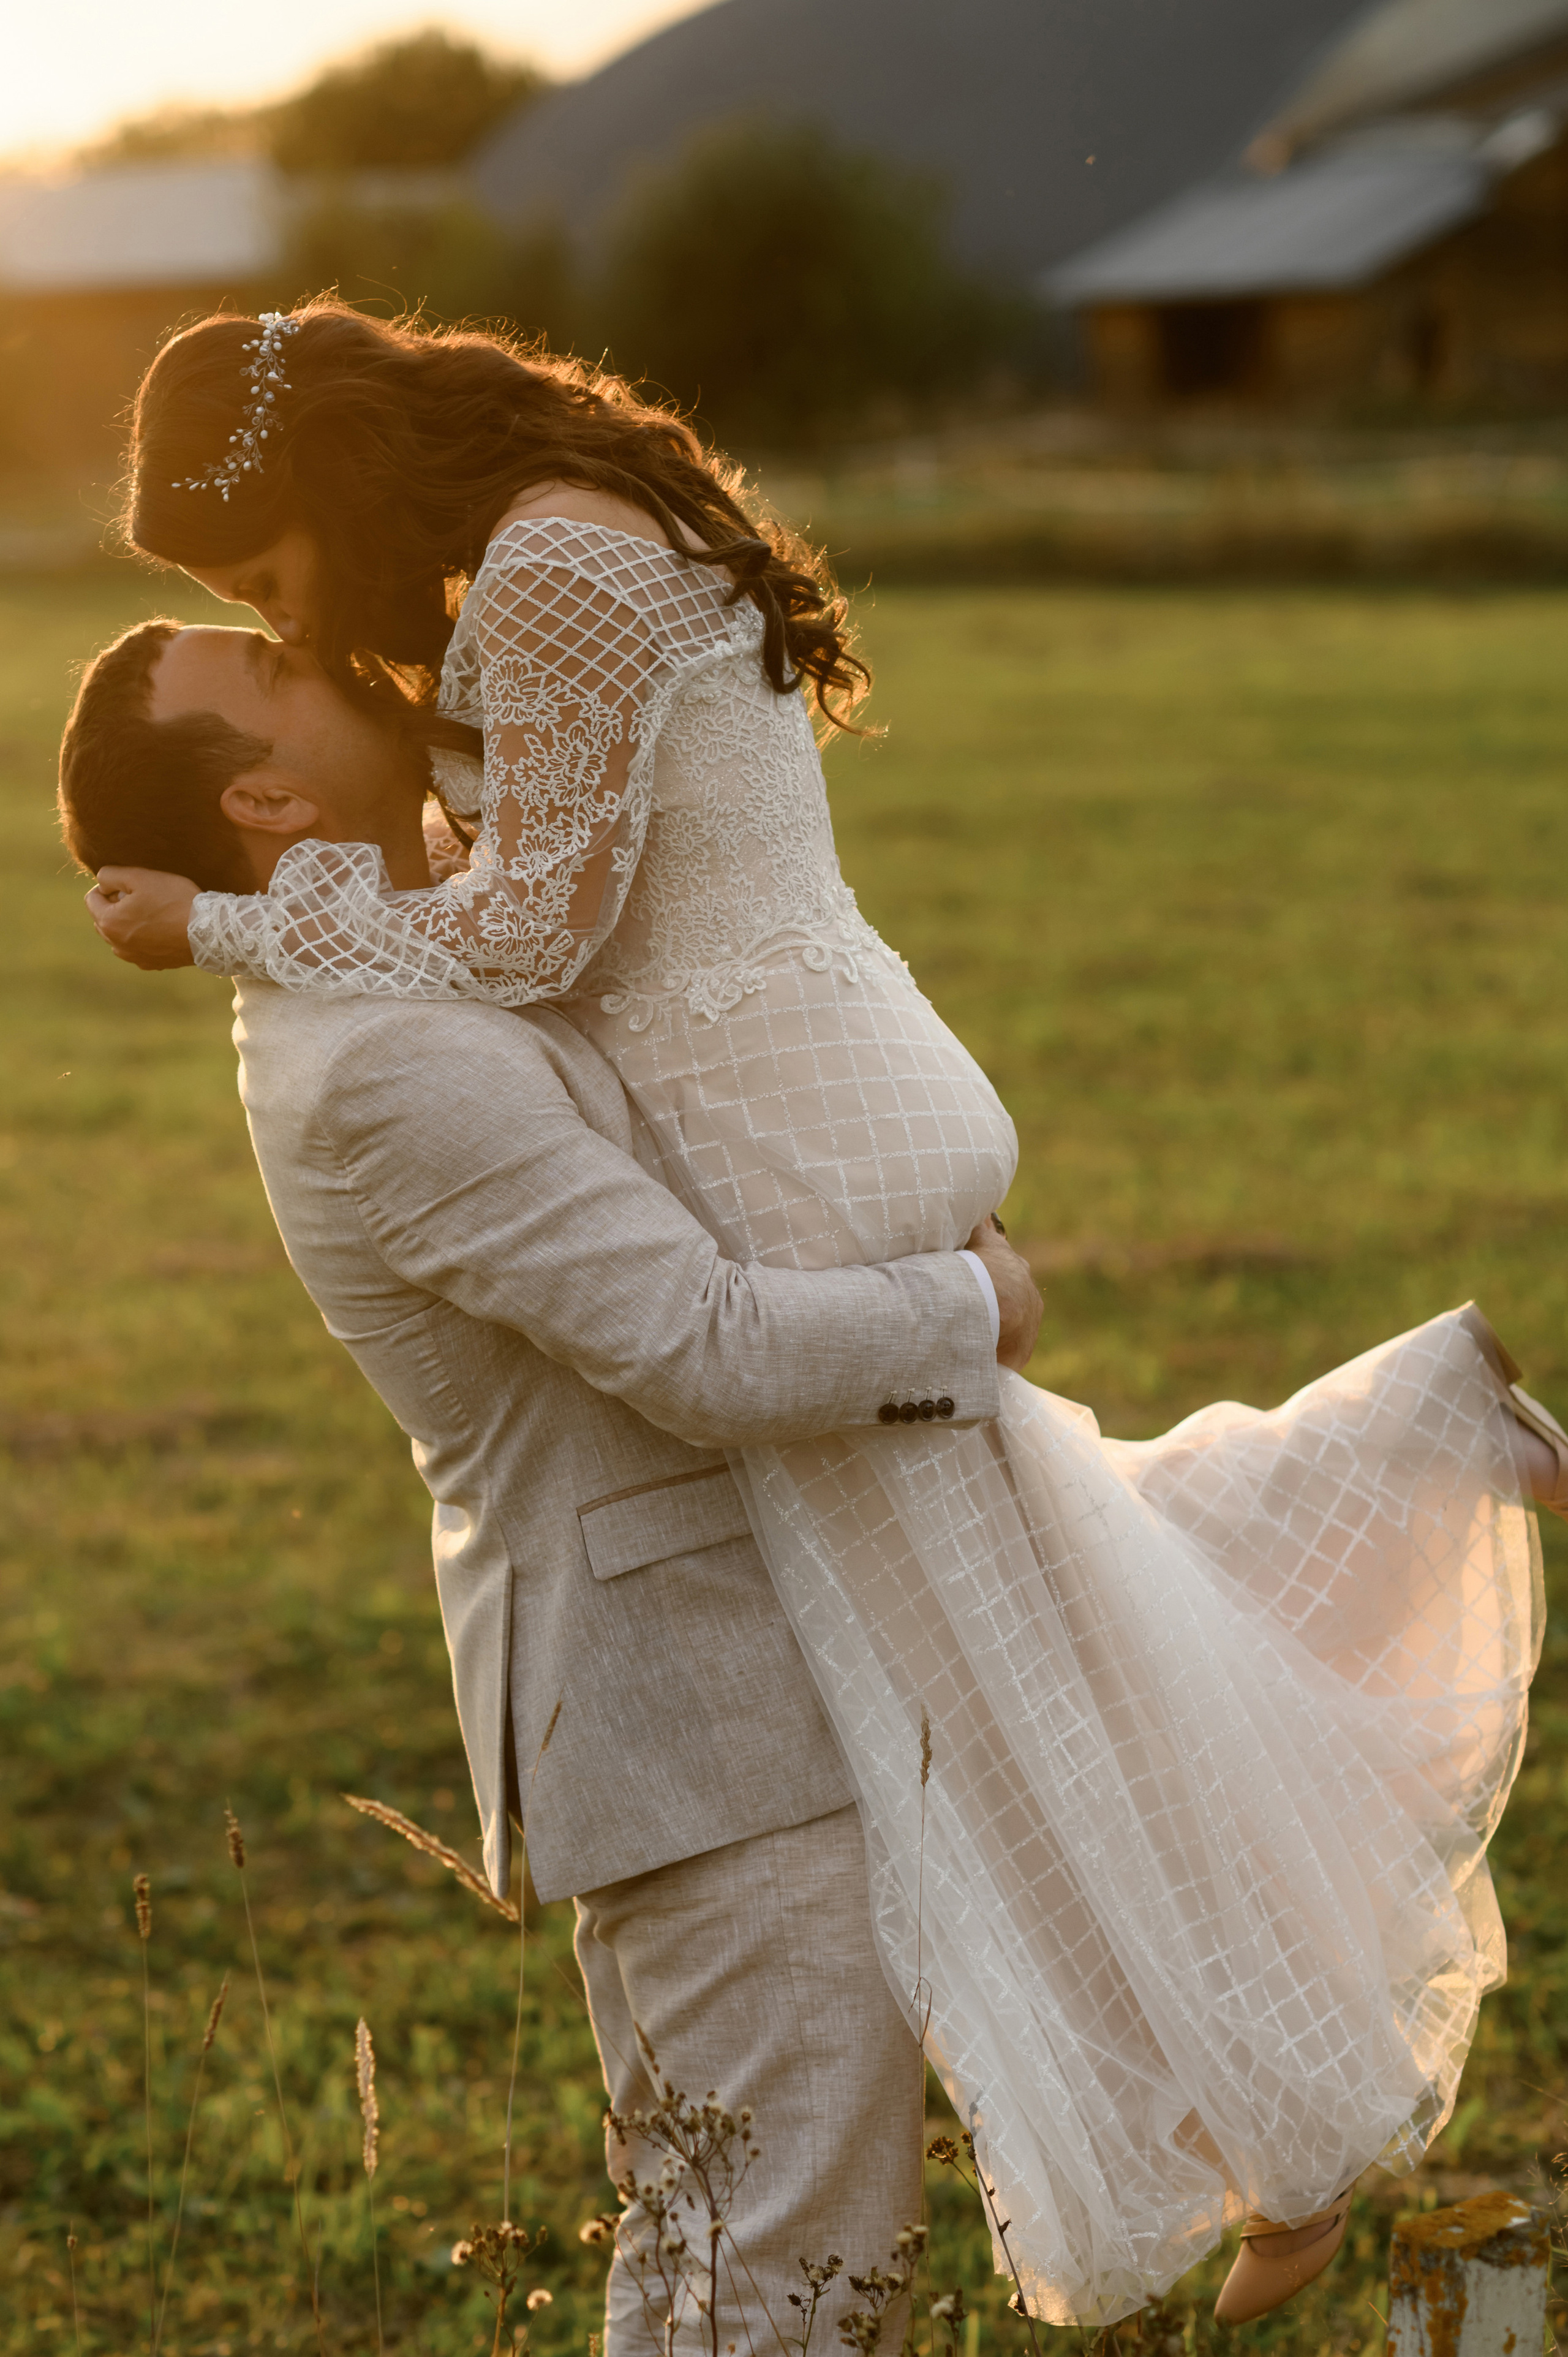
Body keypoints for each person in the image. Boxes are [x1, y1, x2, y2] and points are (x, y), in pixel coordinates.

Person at [86, 303, 1568, 2331]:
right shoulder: (543, 567)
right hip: (786, 1113)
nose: (305, 633)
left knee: (1032, 1648)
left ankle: (1278, 2104)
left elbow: (528, 929)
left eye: (266, 589)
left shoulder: (547, 568)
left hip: (774, 1124)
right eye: (265, 636)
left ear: (322, 485)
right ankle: (1395, 1517)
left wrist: (226, 918)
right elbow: (519, 905)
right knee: (1059, 1607)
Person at [59, 612, 1044, 2355]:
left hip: (700, 1689)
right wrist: (974, 1305)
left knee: (709, 2259)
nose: (318, 642)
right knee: (790, 2282)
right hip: (700, 1717)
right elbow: (700, 1345)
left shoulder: (422, 933)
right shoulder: (386, 1062)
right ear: (270, 801)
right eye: (272, 665)